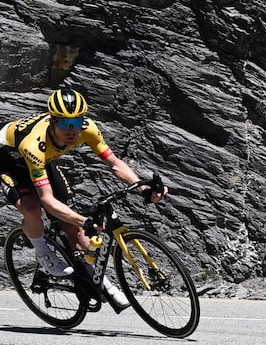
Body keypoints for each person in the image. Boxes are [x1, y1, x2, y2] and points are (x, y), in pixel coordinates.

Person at [1, 87, 169, 310]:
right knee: (33, 208)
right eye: (65, 124)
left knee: (75, 229)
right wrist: (84, 220)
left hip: (44, 163)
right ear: (52, 122)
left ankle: (106, 286)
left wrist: (143, 188)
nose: (72, 130)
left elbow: (114, 163)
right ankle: (42, 252)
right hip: (8, 160)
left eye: (77, 122)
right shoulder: (34, 144)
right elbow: (48, 200)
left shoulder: (88, 129)